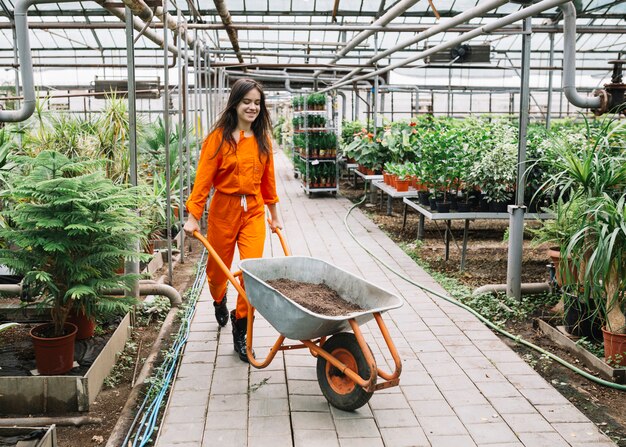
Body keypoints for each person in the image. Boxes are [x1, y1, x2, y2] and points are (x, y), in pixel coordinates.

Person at [183, 78, 283, 363]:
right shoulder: (217, 138)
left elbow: (269, 182)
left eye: (257, 103)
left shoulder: (263, 140)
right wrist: (193, 218)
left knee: (252, 273)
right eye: (247, 102)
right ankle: (218, 298)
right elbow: (203, 181)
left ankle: (241, 328)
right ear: (235, 104)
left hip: (253, 210)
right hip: (223, 211)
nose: (252, 107)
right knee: (217, 272)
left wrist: (274, 218)